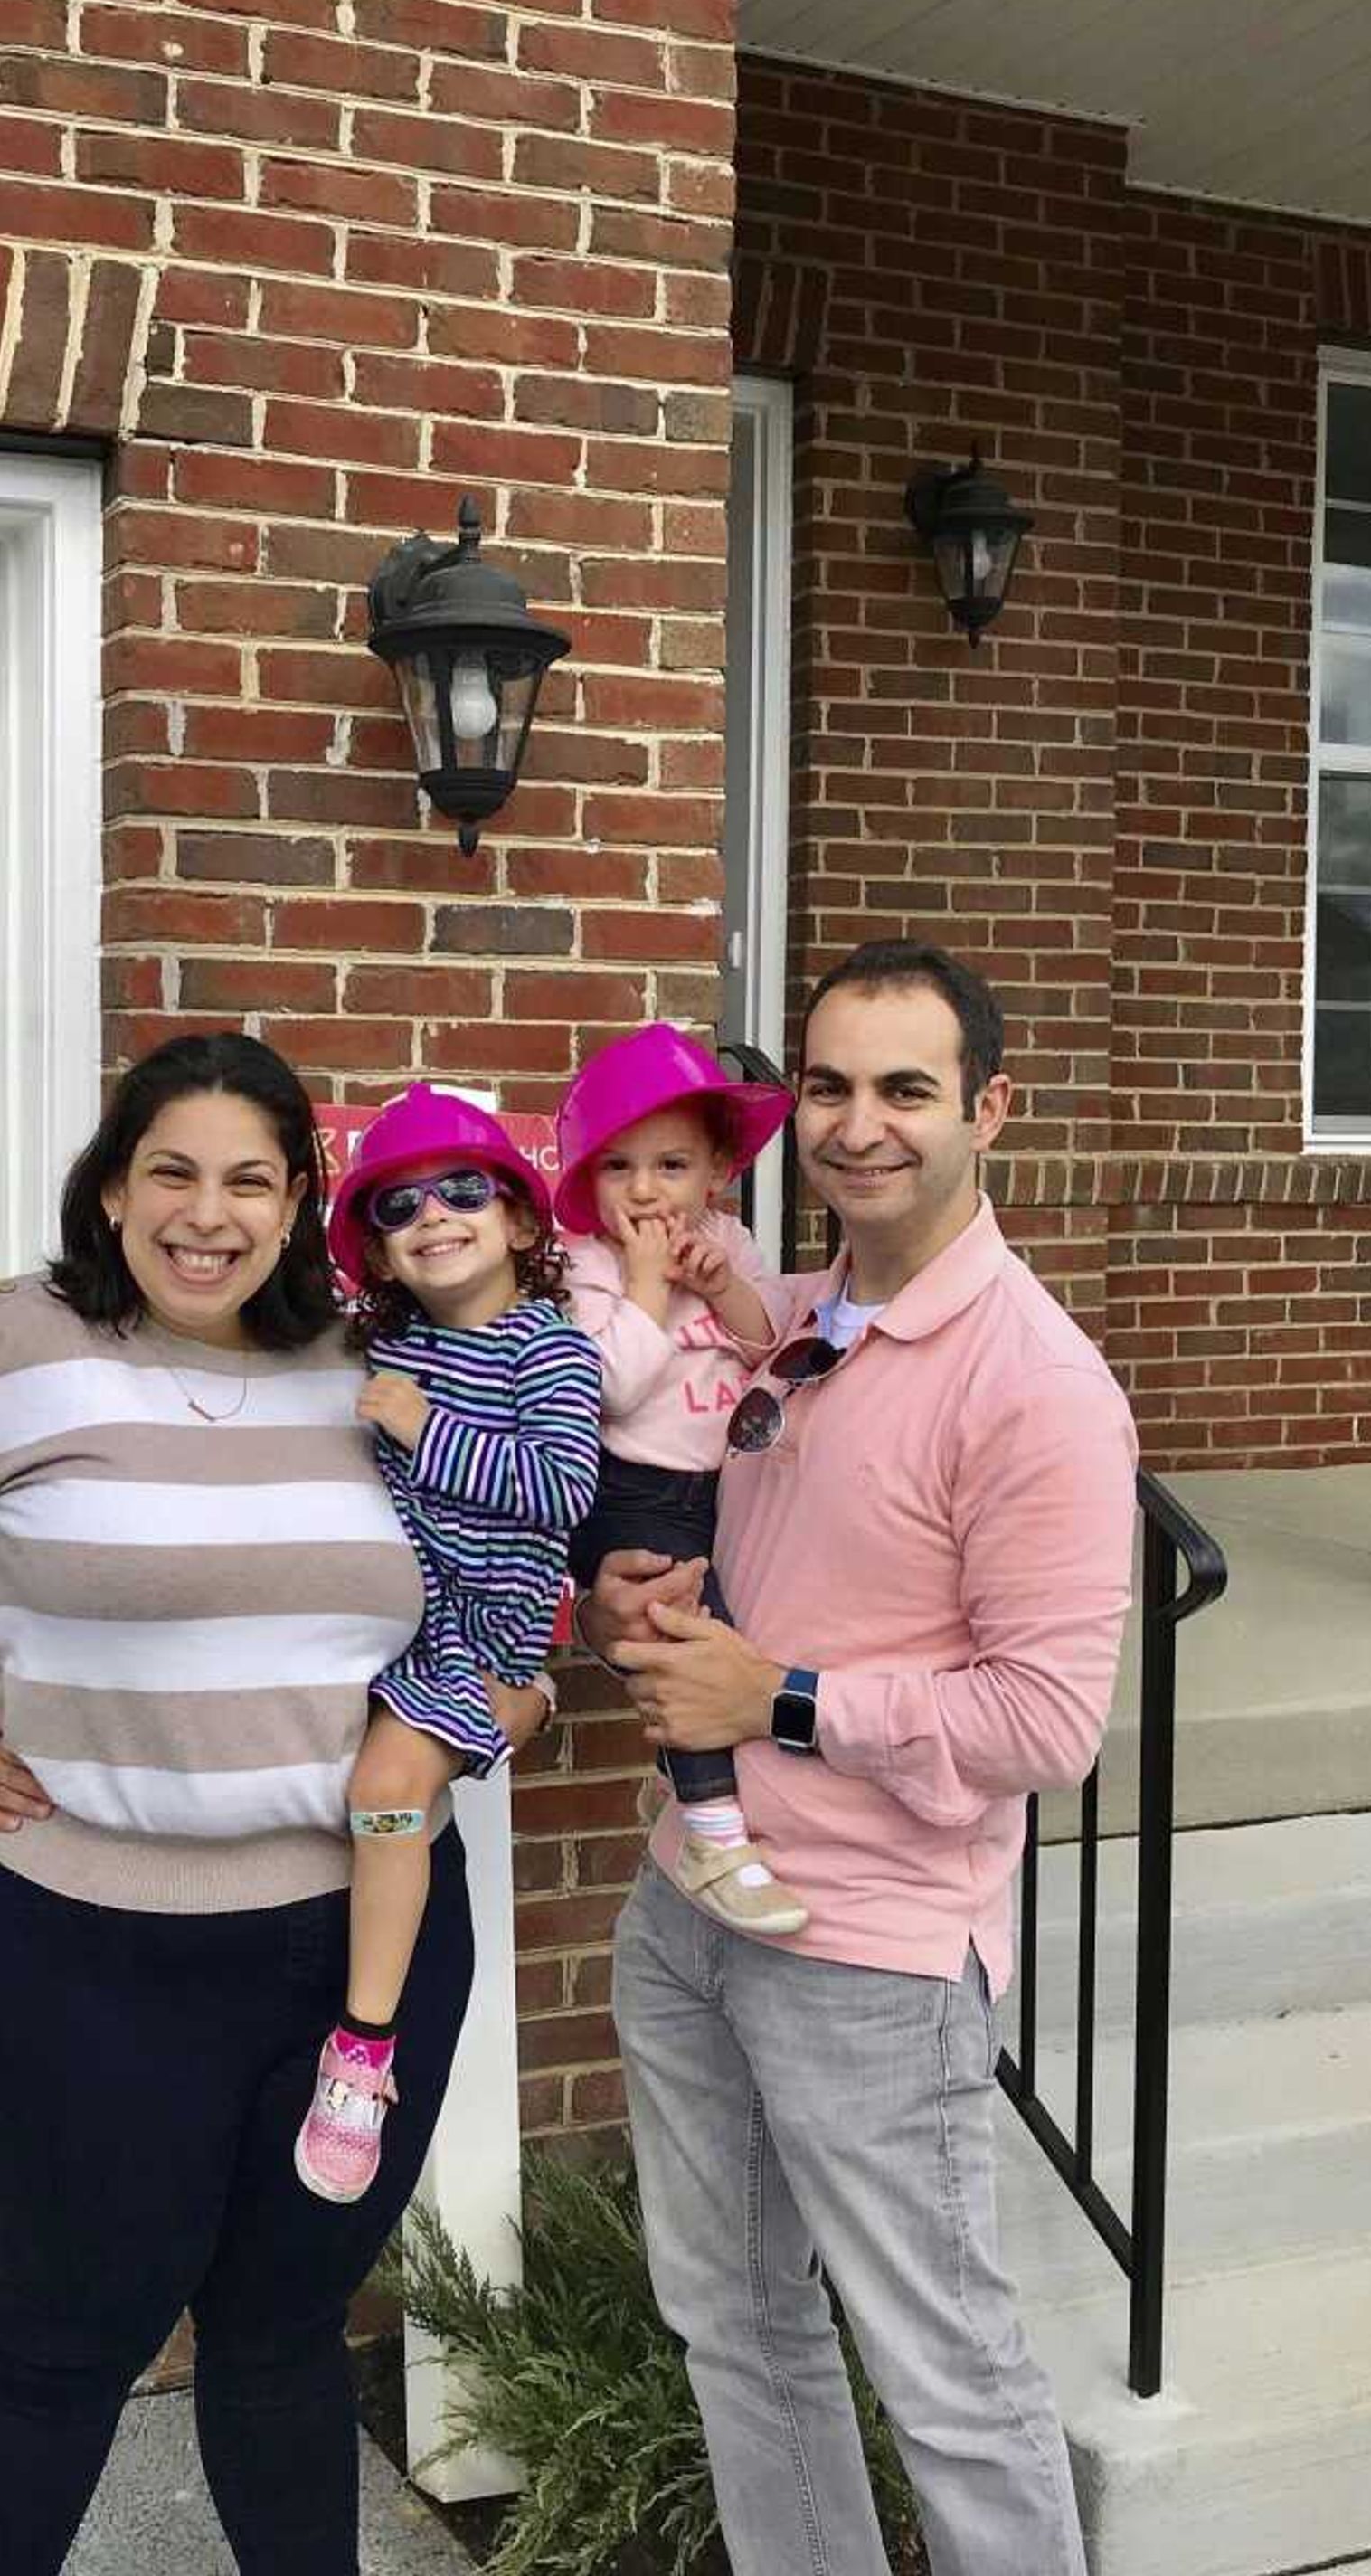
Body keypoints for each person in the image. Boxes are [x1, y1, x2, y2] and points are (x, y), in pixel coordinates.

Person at [0, 1031, 545, 2576]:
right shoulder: (6, 1349)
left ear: (305, 1201)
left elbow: (497, 1566)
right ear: (109, 1189)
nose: (209, 1213)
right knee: (61, 2337)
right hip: (81, 1959)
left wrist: (511, 1693)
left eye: (254, 1178)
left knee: (288, 2335)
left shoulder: (378, 1362)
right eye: (171, 1170)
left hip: (360, 1959)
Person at [580, 941, 1139, 2576]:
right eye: (828, 1084)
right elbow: (750, 1572)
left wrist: (777, 1696)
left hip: (874, 1959)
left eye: (907, 1088)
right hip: (694, 1904)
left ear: (991, 1111)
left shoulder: (1034, 1388)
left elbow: (1048, 1723)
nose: (861, 1122)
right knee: (738, 2333)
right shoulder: (792, 1324)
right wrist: (644, 1607)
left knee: (947, 2376)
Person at [298, 1085, 604, 2202]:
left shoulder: (550, 1352)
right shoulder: (389, 1349)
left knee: (385, 1791)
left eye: (465, 1191)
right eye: (396, 1206)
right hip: (389, 1630)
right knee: (382, 1804)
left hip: (474, 1637)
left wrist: (425, 1429)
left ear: (522, 1222)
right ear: (376, 1253)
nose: (433, 1215)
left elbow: (560, 1490)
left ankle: (363, 2048)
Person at [552, 1022, 808, 1936]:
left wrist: (722, 1285)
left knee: (750, 1637)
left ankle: (747, 1813)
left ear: (714, 1175)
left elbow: (765, 1348)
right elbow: (607, 1385)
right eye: (619, 1167)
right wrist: (650, 1286)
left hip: (725, 1487)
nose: (647, 1189)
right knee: (686, 1646)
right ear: (588, 1182)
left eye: (670, 1165)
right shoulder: (586, 1266)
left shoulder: (728, 1244)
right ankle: (710, 1830)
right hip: (637, 1487)